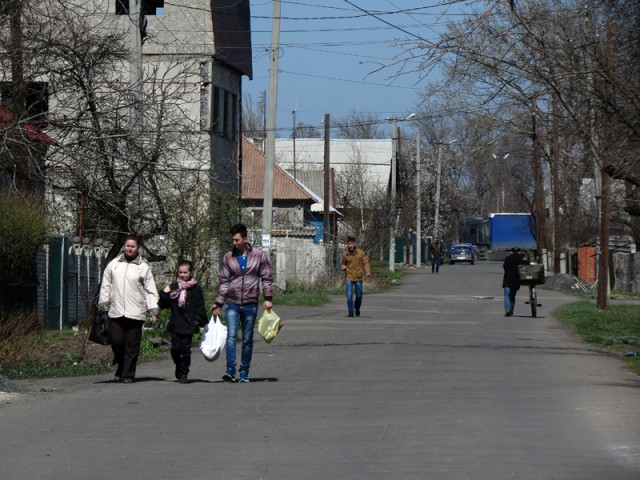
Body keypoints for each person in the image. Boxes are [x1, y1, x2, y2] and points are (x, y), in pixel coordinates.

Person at [211, 224, 273, 383]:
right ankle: (230, 370)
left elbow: (266, 277)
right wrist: (218, 303)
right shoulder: (228, 257)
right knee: (231, 337)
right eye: (232, 240)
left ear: (245, 238)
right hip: (232, 303)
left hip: (250, 304)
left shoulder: (259, 256)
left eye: (237, 239)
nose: (234, 243)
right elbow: (224, 282)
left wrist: (268, 299)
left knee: (247, 339)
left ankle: (244, 371)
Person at [98, 233, 159, 383]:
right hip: (116, 310)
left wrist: (153, 310)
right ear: (124, 247)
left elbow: (150, 290)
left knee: (132, 344)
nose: (130, 249)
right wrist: (104, 303)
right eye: (127, 246)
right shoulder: (114, 264)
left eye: (133, 246)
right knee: (117, 341)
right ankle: (120, 365)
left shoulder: (143, 267)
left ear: (137, 248)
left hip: (136, 311)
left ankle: (128, 374)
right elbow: (106, 284)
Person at [158, 260, 207, 384]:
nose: (183, 275)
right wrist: (165, 292)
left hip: (189, 324)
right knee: (175, 349)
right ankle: (178, 364)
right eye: (180, 272)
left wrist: (196, 321)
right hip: (176, 323)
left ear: (190, 273)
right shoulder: (174, 286)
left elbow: (200, 306)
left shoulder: (196, 289)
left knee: (185, 350)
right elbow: (163, 304)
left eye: (185, 272)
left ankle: (184, 372)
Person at [341, 236, 371, 317]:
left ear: (355, 244)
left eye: (352, 244)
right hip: (349, 276)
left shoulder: (361, 253)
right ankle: (351, 312)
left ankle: (357, 308)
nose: (350, 245)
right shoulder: (345, 254)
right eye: (349, 244)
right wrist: (343, 267)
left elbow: (366, 263)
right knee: (349, 296)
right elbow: (343, 263)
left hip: (358, 277)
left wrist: (367, 271)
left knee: (359, 296)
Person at [502, 247, 530, 317]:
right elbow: (525, 264)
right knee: (512, 296)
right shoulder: (520, 258)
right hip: (515, 280)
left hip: (507, 279)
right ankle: (511, 310)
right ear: (519, 251)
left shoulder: (507, 258)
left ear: (512, 252)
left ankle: (508, 309)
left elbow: (504, 267)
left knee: (507, 295)